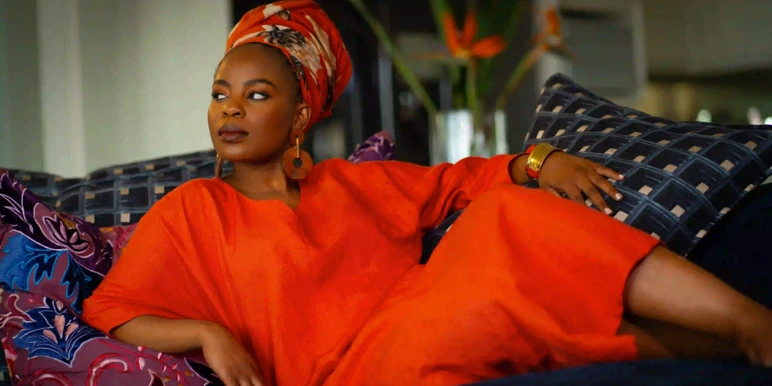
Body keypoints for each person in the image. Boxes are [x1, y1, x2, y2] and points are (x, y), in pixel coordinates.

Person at [81, 1, 772, 385]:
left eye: (255, 95)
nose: (229, 109)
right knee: (485, 296)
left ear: (298, 116)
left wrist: (541, 159)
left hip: (422, 328)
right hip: (353, 380)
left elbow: (463, 181)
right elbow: (115, 308)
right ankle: (731, 340)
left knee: (503, 215)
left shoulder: (357, 184)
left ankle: (748, 324)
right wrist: (207, 333)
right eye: (220, 94)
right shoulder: (195, 210)